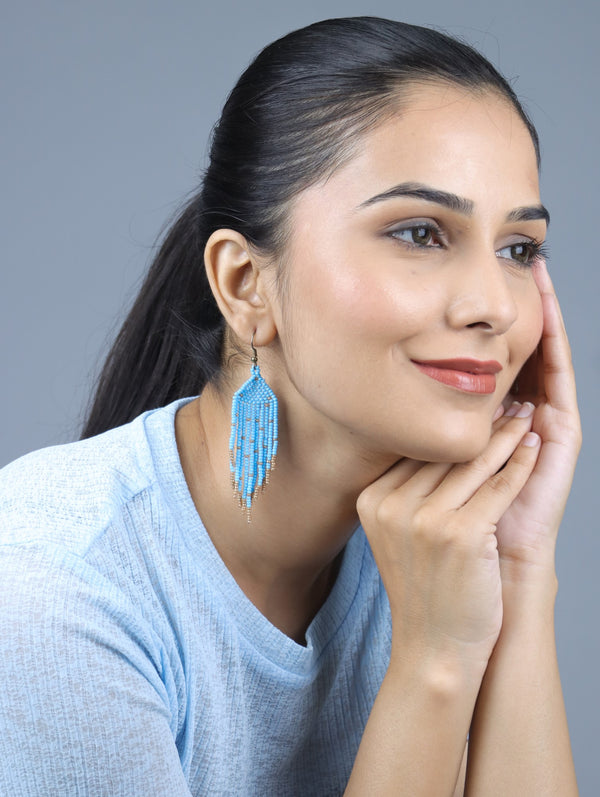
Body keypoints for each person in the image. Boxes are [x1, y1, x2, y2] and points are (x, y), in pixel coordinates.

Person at [0, 16, 581, 796]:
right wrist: (433, 662)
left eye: (519, 249)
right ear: (245, 283)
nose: (494, 307)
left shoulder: (438, 544)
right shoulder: (49, 592)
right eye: (419, 232)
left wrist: (520, 568)